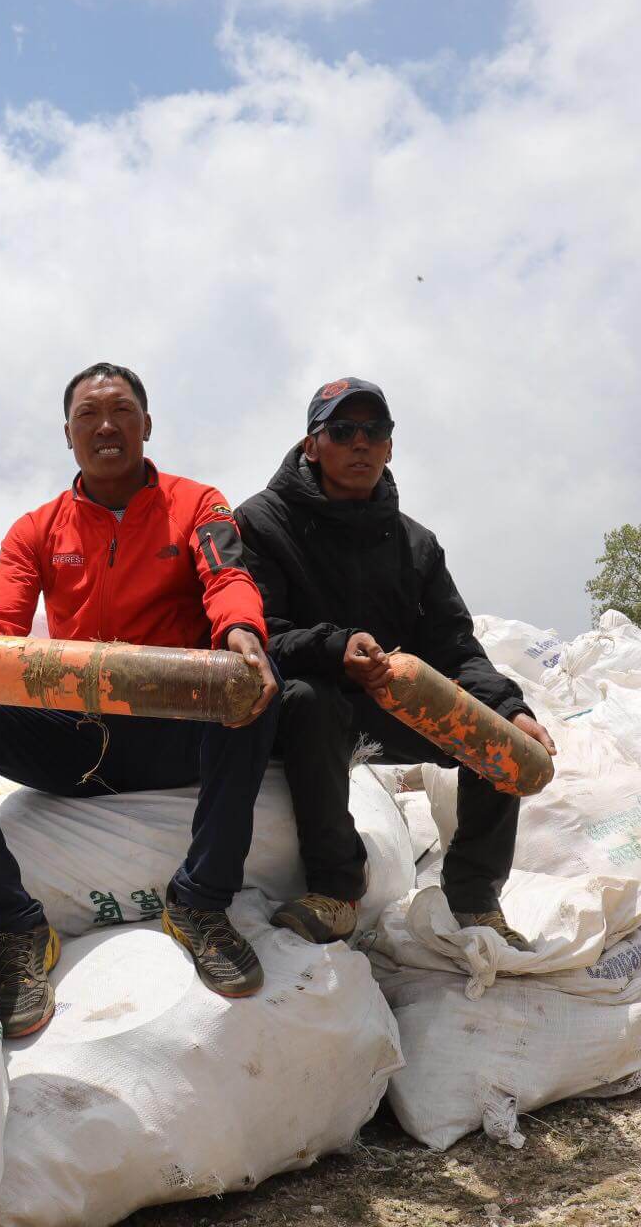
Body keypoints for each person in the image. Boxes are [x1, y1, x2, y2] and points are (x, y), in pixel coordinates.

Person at [0, 362, 281, 1038]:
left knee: (256, 687)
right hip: (77, 740)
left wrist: (243, 633)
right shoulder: (37, 529)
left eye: (123, 411)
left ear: (147, 425)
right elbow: (2, 624)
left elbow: (227, 577)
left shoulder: (197, 503)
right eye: (88, 416)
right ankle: (16, 930)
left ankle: (200, 903)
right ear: (68, 435)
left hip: (172, 734)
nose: (106, 426)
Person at [235, 379, 557, 947]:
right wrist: (335, 648)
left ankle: (476, 902)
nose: (360, 443)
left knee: (497, 730)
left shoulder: (417, 545)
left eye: (374, 431)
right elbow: (259, 634)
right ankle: (336, 892)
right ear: (311, 444)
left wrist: (511, 707)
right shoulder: (263, 522)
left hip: (394, 704)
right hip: (302, 709)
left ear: (390, 446)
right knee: (313, 698)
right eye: (342, 430)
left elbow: (457, 647)